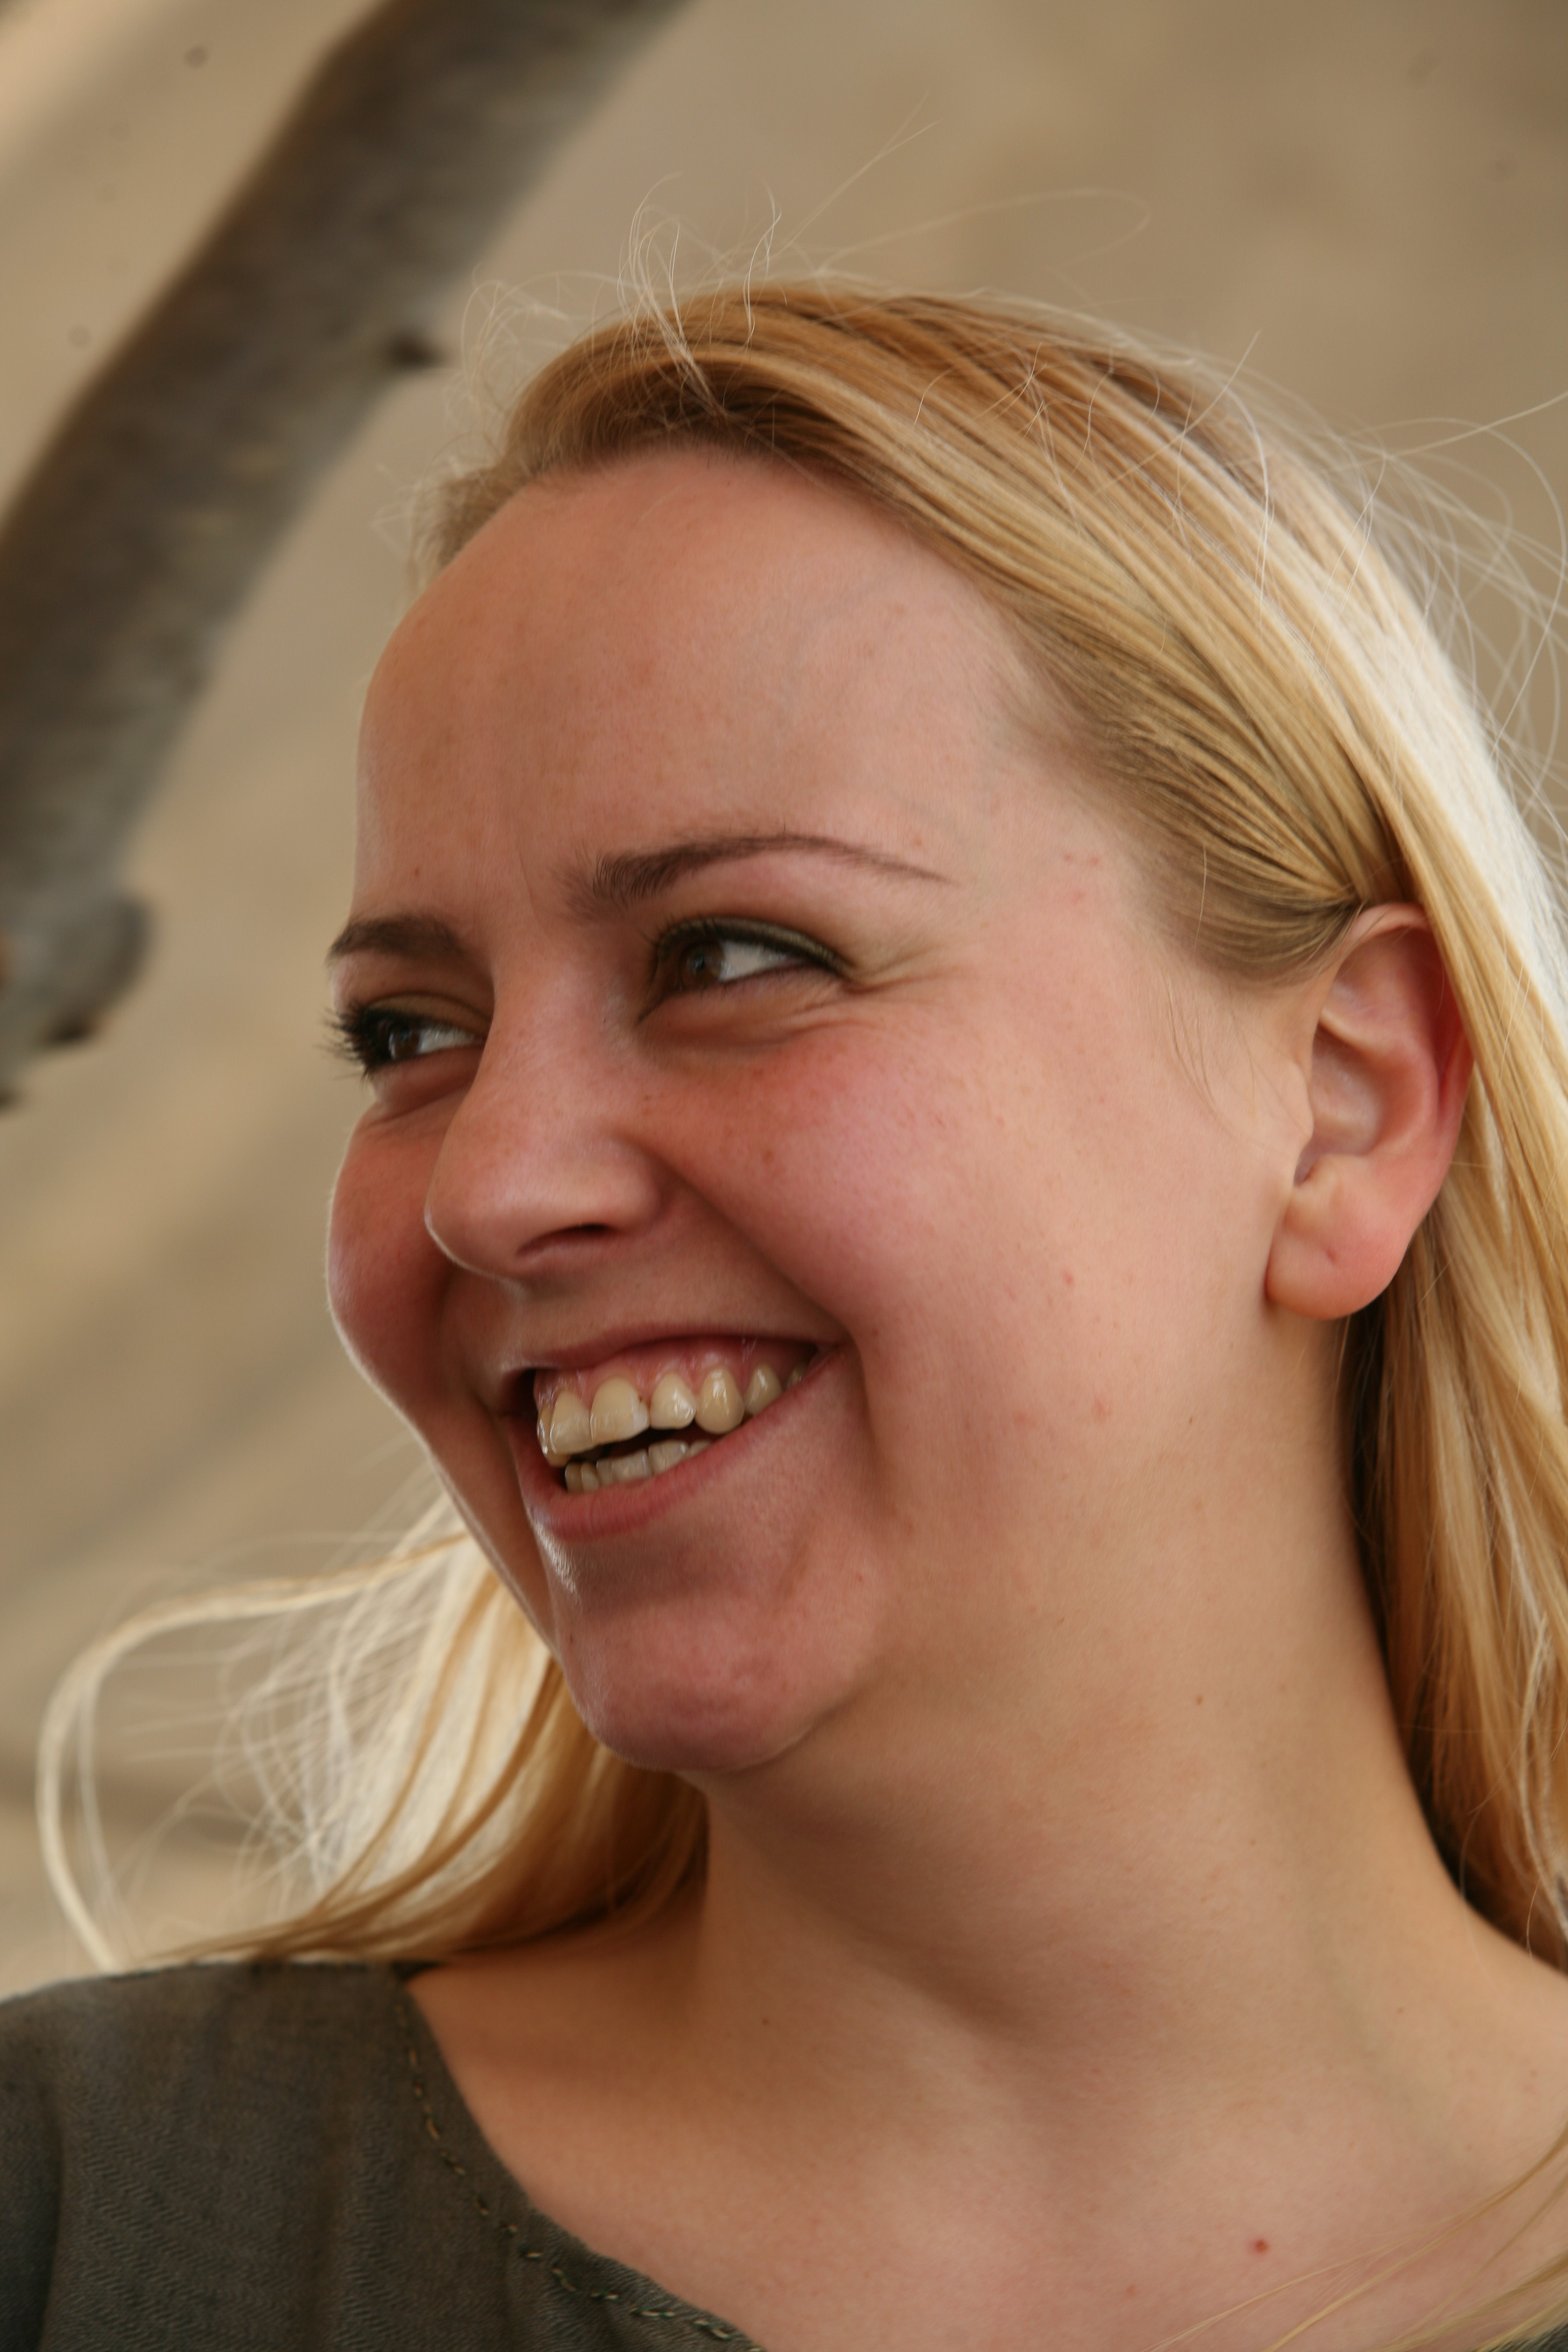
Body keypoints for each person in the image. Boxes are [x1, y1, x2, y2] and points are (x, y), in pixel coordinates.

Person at [6, 281, 1568, 2352]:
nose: (489, 1184)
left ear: (1343, 1105)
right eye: (411, 1032)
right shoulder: (73, 2224)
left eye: (734, 954)